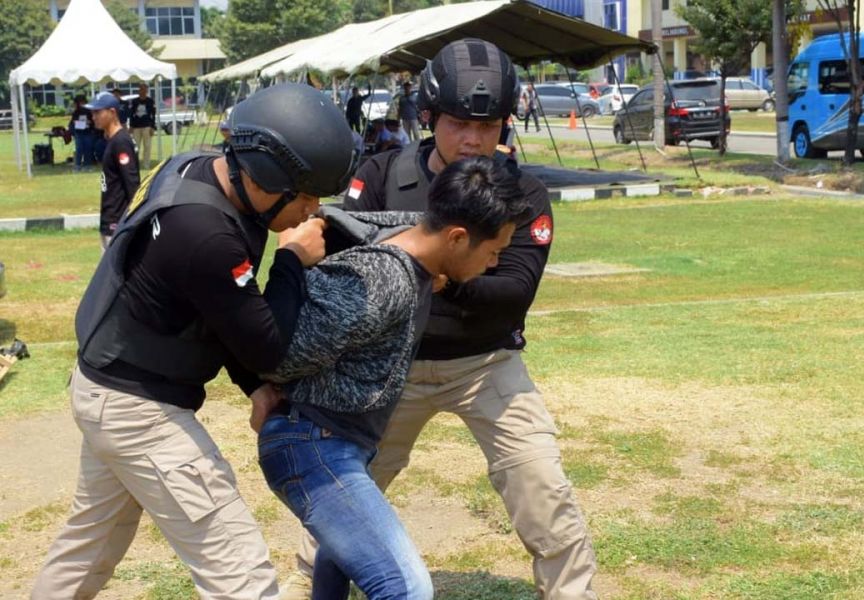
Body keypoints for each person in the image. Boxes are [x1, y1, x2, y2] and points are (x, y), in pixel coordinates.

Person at [283, 39, 597, 600]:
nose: (474, 138)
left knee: (542, 488)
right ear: (429, 118)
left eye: (489, 123)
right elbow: (342, 267)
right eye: (458, 123)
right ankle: (312, 586)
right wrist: (445, 269)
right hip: (391, 367)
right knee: (345, 494)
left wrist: (422, 268)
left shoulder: (520, 192)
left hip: (486, 363)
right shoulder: (380, 174)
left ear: (507, 122)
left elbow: (513, 293)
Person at [32, 83, 358, 600]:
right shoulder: (205, 231)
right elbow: (264, 345)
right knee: (240, 572)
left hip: (103, 387)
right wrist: (293, 262)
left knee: (88, 549)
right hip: (138, 409)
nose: (311, 210)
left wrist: (252, 386)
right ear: (265, 177)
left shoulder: (196, 170)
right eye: (304, 196)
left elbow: (219, 309)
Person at [259, 156, 530, 600]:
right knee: (406, 588)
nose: (495, 263)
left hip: (337, 443)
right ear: (458, 238)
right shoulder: (384, 278)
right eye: (493, 251)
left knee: (339, 561)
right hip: (314, 447)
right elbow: (278, 356)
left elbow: (395, 221)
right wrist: (289, 261)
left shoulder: (418, 243)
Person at [87, 91, 140, 251]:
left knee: (114, 273)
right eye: (92, 113)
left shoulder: (121, 142)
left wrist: (134, 220)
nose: (93, 117)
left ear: (112, 112)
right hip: (109, 217)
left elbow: (132, 184)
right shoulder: (111, 140)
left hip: (117, 221)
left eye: (97, 112)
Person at [129, 82, 157, 170]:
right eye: (141, 89)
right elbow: (131, 114)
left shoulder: (150, 101)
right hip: (136, 127)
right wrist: (131, 126)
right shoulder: (134, 101)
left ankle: (146, 165)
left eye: (145, 89)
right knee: (135, 147)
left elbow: (153, 115)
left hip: (147, 126)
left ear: (147, 91)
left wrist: (152, 127)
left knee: (147, 147)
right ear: (139, 90)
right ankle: (135, 165)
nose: (143, 91)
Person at [68, 94, 95, 172]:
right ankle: (77, 165)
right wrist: (76, 122)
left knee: (88, 149)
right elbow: (73, 122)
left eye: (82, 102)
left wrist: (89, 122)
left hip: (88, 132)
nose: (81, 104)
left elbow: (93, 121)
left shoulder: (89, 110)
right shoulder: (76, 112)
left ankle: (87, 165)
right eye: (79, 103)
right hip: (79, 132)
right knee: (79, 149)